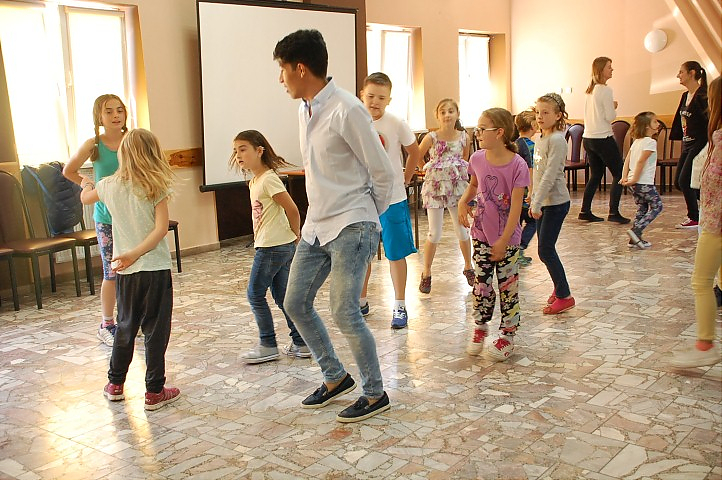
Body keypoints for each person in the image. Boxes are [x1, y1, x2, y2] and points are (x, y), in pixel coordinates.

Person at [273, 29, 394, 422]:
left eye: (282, 70)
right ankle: (335, 376)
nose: (280, 79)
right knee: (294, 302)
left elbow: (382, 171)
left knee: (344, 311)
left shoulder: (347, 109)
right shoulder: (304, 109)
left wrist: (366, 216)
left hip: (352, 224)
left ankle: (374, 393)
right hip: (316, 225)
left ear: (300, 69)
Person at [79, 128, 180, 411]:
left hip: (125, 271)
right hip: (155, 268)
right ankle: (154, 391)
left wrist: (86, 185)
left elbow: (86, 199)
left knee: (125, 326)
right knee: (156, 330)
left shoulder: (109, 185)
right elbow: (161, 229)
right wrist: (136, 253)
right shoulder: (156, 185)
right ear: (153, 153)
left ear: (123, 153)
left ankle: (115, 384)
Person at [229, 130, 310, 363]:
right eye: (235, 151)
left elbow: (292, 209)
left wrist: (295, 234)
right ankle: (301, 343)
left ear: (259, 151)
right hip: (274, 245)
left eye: (243, 149)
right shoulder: (255, 181)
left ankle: (268, 344)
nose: (238, 155)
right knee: (283, 296)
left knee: (254, 294)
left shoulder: (269, 179)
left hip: (273, 246)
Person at [459, 108, 529, 361]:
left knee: (508, 286)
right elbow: (474, 184)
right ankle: (480, 326)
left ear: (499, 132)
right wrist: (463, 202)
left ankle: (507, 335)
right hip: (480, 234)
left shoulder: (518, 165)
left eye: (482, 129)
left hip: (507, 239)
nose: (477, 133)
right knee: (481, 284)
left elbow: (516, 208)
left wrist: (503, 240)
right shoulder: (477, 158)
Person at [357, 72, 422, 328]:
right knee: (362, 253)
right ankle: (360, 301)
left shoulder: (395, 123)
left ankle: (400, 305)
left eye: (381, 98)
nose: (375, 102)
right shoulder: (354, 121)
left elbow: (414, 151)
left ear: (389, 100)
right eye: (371, 96)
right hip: (362, 199)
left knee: (395, 253)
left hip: (392, 198)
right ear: (362, 95)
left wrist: (405, 179)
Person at [64, 94, 127, 347]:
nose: (115, 115)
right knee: (111, 272)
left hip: (131, 216)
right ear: (99, 117)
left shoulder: (132, 140)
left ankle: (128, 320)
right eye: (109, 111)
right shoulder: (94, 145)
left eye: (119, 110)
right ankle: (107, 324)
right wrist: (86, 183)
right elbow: (69, 170)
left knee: (132, 271)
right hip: (106, 218)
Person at [670, 76, 721, 368]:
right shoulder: (717, 138)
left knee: (701, 282)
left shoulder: (720, 140)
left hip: (717, 225)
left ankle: (705, 346)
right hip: (713, 220)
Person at [417, 98, 473, 293]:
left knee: (462, 229)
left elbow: (464, 158)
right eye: (443, 112)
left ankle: (468, 266)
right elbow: (417, 155)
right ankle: (426, 272)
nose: (447, 115)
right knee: (435, 232)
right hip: (435, 188)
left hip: (457, 188)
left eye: (451, 111)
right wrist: (424, 170)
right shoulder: (431, 137)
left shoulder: (464, 136)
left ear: (457, 114)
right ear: (438, 116)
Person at [531, 93, 575, 315]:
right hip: (543, 202)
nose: (540, 116)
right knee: (545, 249)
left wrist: (537, 202)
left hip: (556, 203)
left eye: (545, 112)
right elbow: (537, 172)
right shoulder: (540, 138)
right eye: (538, 112)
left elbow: (550, 175)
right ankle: (559, 287)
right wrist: (533, 195)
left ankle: (565, 295)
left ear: (558, 115)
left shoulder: (557, 140)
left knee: (546, 250)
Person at [579, 57, 630, 224]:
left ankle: (585, 210)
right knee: (619, 173)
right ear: (601, 70)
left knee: (596, 175)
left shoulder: (589, 90)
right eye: (609, 67)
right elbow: (610, 117)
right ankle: (614, 212)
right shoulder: (605, 90)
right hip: (602, 137)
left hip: (588, 138)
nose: (612, 69)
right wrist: (613, 106)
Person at [670, 61, 709, 229]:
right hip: (687, 144)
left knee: (685, 180)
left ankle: (695, 217)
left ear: (692, 73)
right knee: (679, 182)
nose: (678, 75)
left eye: (681, 72)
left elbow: (710, 120)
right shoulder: (685, 95)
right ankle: (711, 203)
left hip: (700, 143)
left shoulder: (703, 95)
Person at [621, 112, 663, 249]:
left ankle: (634, 239)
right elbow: (640, 162)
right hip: (643, 182)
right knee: (657, 206)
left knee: (642, 207)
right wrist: (634, 179)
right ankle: (636, 230)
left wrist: (625, 177)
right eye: (655, 121)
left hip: (634, 183)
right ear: (646, 126)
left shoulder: (636, 142)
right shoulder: (650, 142)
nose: (658, 124)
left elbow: (627, 161)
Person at [514, 110, 538, 266]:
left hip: (514, 192)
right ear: (533, 126)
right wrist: (532, 191)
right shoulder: (531, 146)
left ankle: (514, 252)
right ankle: (520, 248)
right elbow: (532, 169)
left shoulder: (514, 144)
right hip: (525, 192)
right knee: (533, 221)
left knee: (516, 223)